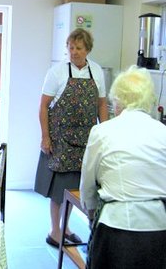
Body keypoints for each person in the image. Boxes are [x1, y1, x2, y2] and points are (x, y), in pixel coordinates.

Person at [80, 65, 166, 269]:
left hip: (115, 229)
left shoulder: (102, 132)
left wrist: (91, 214)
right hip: (159, 229)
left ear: (117, 100)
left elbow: (88, 186)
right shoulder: (163, 132)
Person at [34, 28, 109, 248]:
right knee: (59, 190)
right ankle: (55, 231)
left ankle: (65, 228)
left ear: (88, 49)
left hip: (87, 139)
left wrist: (104, 134)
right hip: (61, 140)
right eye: (70, 48)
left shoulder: (96, 71)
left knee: (78, 188)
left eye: (78, 48)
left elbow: (101, 104)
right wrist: (45, 137)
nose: (74, 52)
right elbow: (44, 106)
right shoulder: (56, 72)